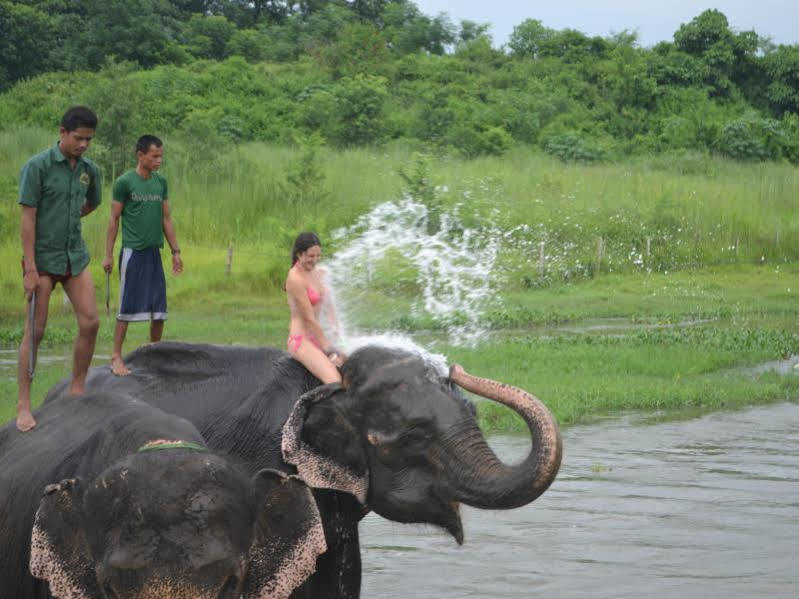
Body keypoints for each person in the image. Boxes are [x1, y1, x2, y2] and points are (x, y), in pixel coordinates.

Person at [17, 106, 102, 432]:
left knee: (91, 322)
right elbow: (28, 220)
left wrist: (67, 216)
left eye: (89, 140)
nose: (83, 145)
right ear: (62, 132)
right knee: (35, 331)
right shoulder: (37, 167)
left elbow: (91, 203)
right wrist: (29, 268)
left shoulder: (89, 170)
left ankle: (76, 390)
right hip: (42, 260)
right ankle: (24, 403)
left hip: (74, 257)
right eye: (79, 138)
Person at [102, 135, 183, 376]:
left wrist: (175, 251)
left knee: (159, 309)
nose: (159, 160)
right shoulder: (124, 182)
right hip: (132, 253)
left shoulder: (161, 183)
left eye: (161, 156)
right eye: (154, 156)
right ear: (140, 155)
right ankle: (116, 357)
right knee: (127, 306)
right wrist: (107, 255)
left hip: (153, 253)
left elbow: (166, 218)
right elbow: (114, 220)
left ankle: (154, 354)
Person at [285, 232, 344, 384]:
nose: (315, 260)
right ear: (299, 254)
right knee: (334, 380)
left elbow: (329, 305)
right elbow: (309, 319)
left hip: (319, 336)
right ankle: (305, 406)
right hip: (301, 340)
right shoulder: (295, 279)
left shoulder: (319, 272)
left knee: (351, 368)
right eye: (311, 256)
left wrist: (337, 333)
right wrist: (329, 351)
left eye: (318, 256)